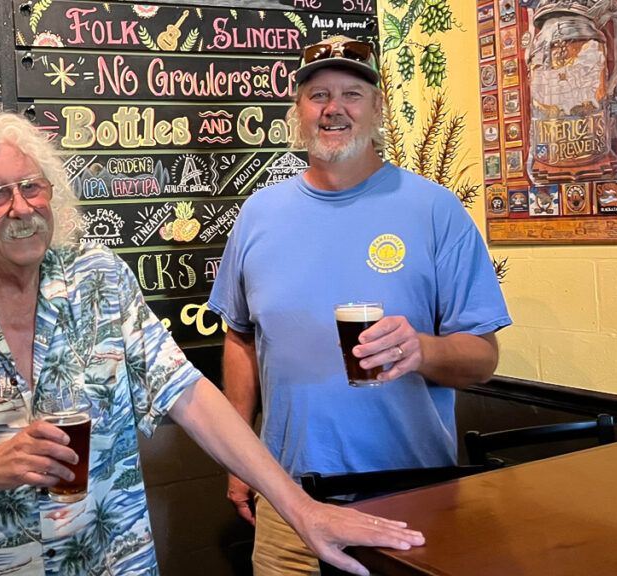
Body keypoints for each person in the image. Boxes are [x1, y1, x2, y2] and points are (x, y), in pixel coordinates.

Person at [0, 111, 424, 576]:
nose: (20, 208)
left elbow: (189, 392)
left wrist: (301, 510)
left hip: (108, 561)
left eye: (31, 187)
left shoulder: (102, 281)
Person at [207, 36, 512, 575]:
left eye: (352, 92)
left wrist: (420, 349)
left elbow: (482, 357)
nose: (334, 108)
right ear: (298, 111)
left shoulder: (434, 210)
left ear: (377, 109)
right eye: (318, 93)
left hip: (409, 501)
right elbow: (240, 337)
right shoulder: (259, 214)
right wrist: (241, 460)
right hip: (290, 506)